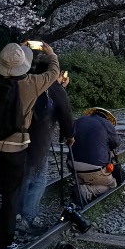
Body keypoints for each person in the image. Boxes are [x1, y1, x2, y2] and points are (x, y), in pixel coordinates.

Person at [0, 41, 59, 249]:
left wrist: (12, 51)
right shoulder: (32, 83)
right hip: (16, 147)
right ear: (24, 64)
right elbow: (54, 73)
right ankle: (4, 244)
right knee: (10, 196)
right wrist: (50, 54)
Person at [18, 61, 75, 233]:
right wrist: (70, 135)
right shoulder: (54, 88)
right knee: (38, 177)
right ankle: (28, 217)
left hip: (19, 136)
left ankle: (16, 215)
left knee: (23, 176)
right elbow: (65, 112)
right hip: (39, 137)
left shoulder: (29, 81)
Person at [68, 107, 119, 203]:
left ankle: (81, 182)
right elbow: (115, 143)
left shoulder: (79, 120)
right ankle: (86, 191)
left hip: (72, 165)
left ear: (92, 113)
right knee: (112, 185)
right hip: (94, 169)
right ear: (107, 118)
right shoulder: (106, 123)